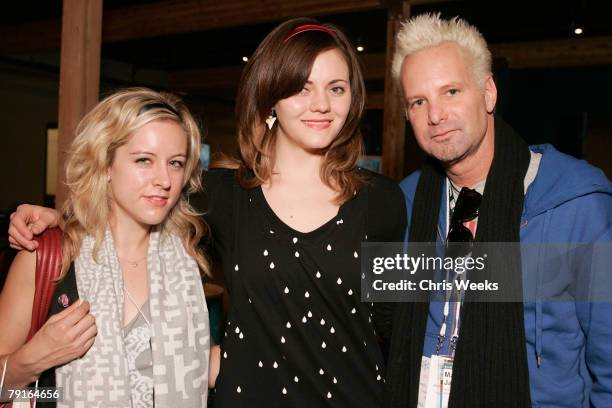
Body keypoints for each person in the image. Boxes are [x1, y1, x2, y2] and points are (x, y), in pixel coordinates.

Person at [7, 18, 406, 407]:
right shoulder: (223, 198)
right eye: (301, 88)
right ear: (271, 98)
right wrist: (62, 218)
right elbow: (135, 199)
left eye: (336, 88)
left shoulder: (384, 201)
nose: (321, 103)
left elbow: (400, 326)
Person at [380, 13, 612, 408]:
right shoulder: (404, 203)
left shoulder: (577, 204)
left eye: (451, 91)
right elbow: (382, 330)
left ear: (488, 92)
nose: (435, 115)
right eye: (419, 101)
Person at [1, 88, 211, 407]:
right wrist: (32, 361)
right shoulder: (49, 258)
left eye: (176, 163)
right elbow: (11, 391)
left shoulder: (183, 263)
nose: (164, 179)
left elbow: (200, 369)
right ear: (106, 165)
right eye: (144, 160)